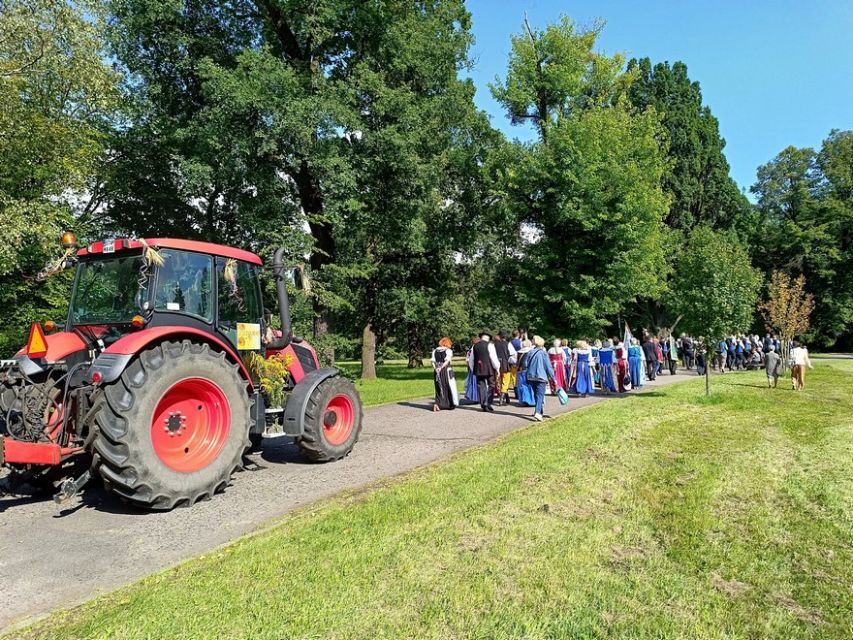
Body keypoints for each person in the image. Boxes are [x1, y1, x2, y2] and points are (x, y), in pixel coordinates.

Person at [525, 335, 555, 421]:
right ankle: (538, 412)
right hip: (541, 377)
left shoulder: (530, 352)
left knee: (536, 394)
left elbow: (526, 364)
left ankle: (539, 412)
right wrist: (553, 378)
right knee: (540, 395)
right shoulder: (544, 353)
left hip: (531, 376)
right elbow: (548, 367)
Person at [468, 331, 500, 412]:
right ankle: (487, 402)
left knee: (481, 386)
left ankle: (483, 404)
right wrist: (497, 368)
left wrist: (473, 369)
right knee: (492, 385)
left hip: (478, 368)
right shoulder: (490, 345)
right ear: (488, 338)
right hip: (489, 368)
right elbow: (493, 358)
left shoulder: (474, 346)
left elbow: (471, 360)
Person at [430, 337, 459, 411]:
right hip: (446, 370)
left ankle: (437, 404)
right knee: (448, 386)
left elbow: (432, 361)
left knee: (438, 387)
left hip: (437, 371)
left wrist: (436, 368)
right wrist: (441, 367)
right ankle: (449, 403)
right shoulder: (448, 351)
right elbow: (447, 361)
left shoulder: (435, 351)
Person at [494, 330, 517, 406]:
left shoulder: (495, 344)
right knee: (506, 381)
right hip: (505, 365)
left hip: (497, 365)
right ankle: (501, 400)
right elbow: (513, 354)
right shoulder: (508, 344)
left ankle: (507, 399)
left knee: (500, 381)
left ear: (499, 336)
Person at [515, 339, 535, 407]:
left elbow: (515, 361)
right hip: (529, 370)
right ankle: (531, 400)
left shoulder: (518, 352)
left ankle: (524, 400)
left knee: (522, 385)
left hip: (520, 370)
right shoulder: (531, 351)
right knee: (530, 385)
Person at [463, 336, 479, 404]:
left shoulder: (470, 350)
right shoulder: (475, 349)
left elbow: (467, 360)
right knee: (475, 383)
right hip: (475, 368)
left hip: (471, 368)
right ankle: (476, 398)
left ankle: (473, 397)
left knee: (472, 383)